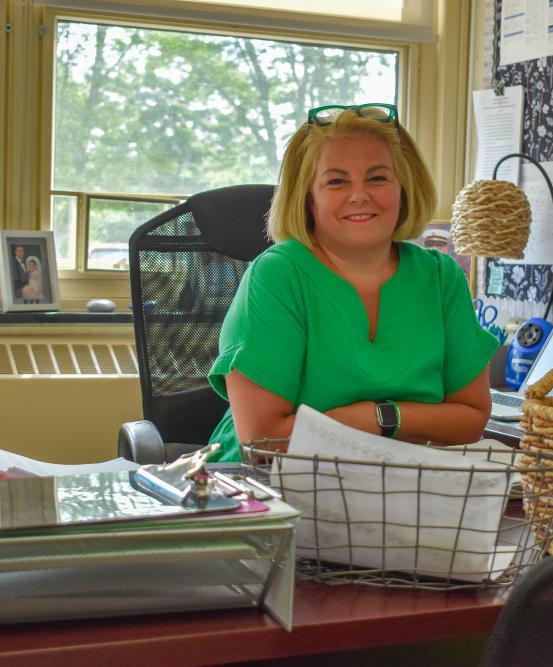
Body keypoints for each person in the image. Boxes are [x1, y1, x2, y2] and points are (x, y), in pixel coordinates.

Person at [206, 103, 498, 462]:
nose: (359, 195)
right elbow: (263, 441)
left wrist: (377, 418)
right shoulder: (277, 276)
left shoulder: (441, 277)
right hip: (262, 494)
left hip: (401, 489)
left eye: (377, 178)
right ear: (308, 196)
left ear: (403, 188)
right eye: (337, 181)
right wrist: (412, 421)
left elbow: (470, 419)